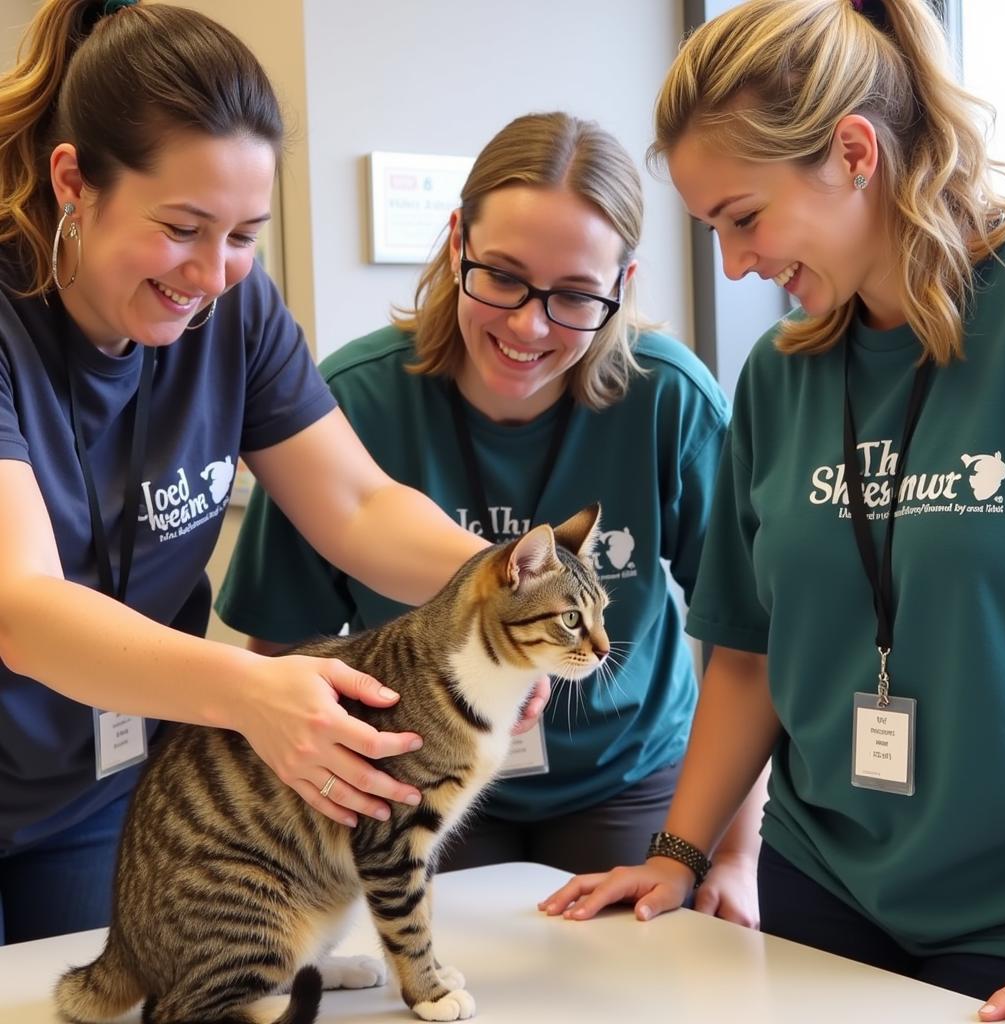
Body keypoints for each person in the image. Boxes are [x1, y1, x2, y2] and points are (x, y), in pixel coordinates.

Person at [0, 0, 544, 945]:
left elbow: (359, 505)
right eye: (182, 227)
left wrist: (492, 591)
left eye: (245, 234)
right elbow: (22, 605)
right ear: (74, 182)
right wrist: (249, 691)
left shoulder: (233, 310)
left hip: (95, 787)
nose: (213, 274)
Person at [539, 0, 1005, 1016]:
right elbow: (749, 653)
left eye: (743, 218)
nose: (733, 263)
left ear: (854, 152)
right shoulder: (778, 374)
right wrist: (676, 852)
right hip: (824, 884)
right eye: (711, 228)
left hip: (1001, 917)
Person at [216, 111, 764, 925]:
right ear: (455, 243)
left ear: (622, 288)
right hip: (408, 781)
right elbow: (281, 647)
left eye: (576, 295)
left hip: (623, 780)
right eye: (502, 276)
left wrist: (734, 854)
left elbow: (744, 634)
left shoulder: (668, 399)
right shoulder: (354, 399)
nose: (528, 324)